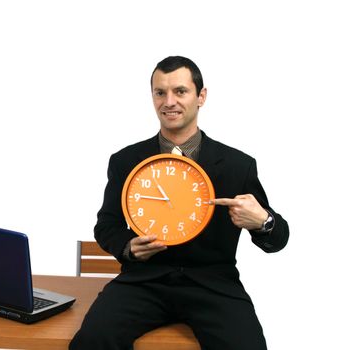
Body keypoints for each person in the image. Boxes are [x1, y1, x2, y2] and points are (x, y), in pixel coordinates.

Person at [69, 56, 289, 350]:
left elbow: (277, 238)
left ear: (201, 97)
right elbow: (106, 225)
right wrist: (127, 248)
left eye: (180, 91)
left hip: (213, 286)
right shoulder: (126, 161)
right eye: (160, 92)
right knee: (93, 341)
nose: (169, 101)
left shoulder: (238, 166)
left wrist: (263, 222)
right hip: (143, 283)